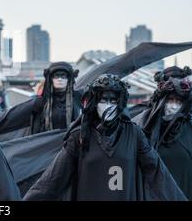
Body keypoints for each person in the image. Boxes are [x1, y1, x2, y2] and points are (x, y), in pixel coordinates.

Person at [23, 74, 186, 201]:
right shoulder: (79, 136)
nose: (108, 105)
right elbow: (52, 181)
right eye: (103, 100)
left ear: (119, 103)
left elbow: (158, 174)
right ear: (95, 103)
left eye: (113, 100)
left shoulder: (134, 134)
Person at [134, 66, 192, 199]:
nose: (173, 105)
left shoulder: (189, 127)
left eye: (178, 101)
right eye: (170, 100)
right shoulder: (143, 126)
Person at [0, 62, 81, 136]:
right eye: (56, 76)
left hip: (72, 148)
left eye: (63, 76)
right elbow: (11, 116)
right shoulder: (41, 102)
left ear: (69, 79)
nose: (60, 79)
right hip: (46, 147)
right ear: (51, 79)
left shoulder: (77, 98)